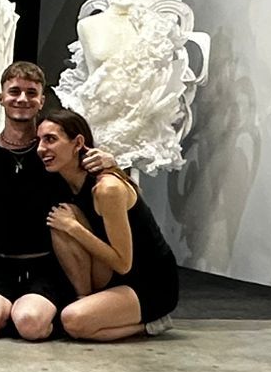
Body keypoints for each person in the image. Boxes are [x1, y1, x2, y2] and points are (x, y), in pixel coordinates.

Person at [38, 109, 182, 341]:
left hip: (149, 282)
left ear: (78, 143)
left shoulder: (107, 188)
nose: (41, 148)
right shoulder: (63, 181)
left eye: (50, 139)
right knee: (61, 217)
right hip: (111, 274)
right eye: (40, 140)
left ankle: (150, 324)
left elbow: (123, 263)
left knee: (73, 322)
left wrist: (73, 228)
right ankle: (85, 299)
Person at [0, 61, 83, 342]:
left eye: (31, 93)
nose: (22, 99)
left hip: (46, 265)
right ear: (1, 97)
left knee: (30, 324)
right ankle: (10, 312)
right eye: (14, 91)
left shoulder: (55, 151)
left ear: (41, 100)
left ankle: (29, 314)